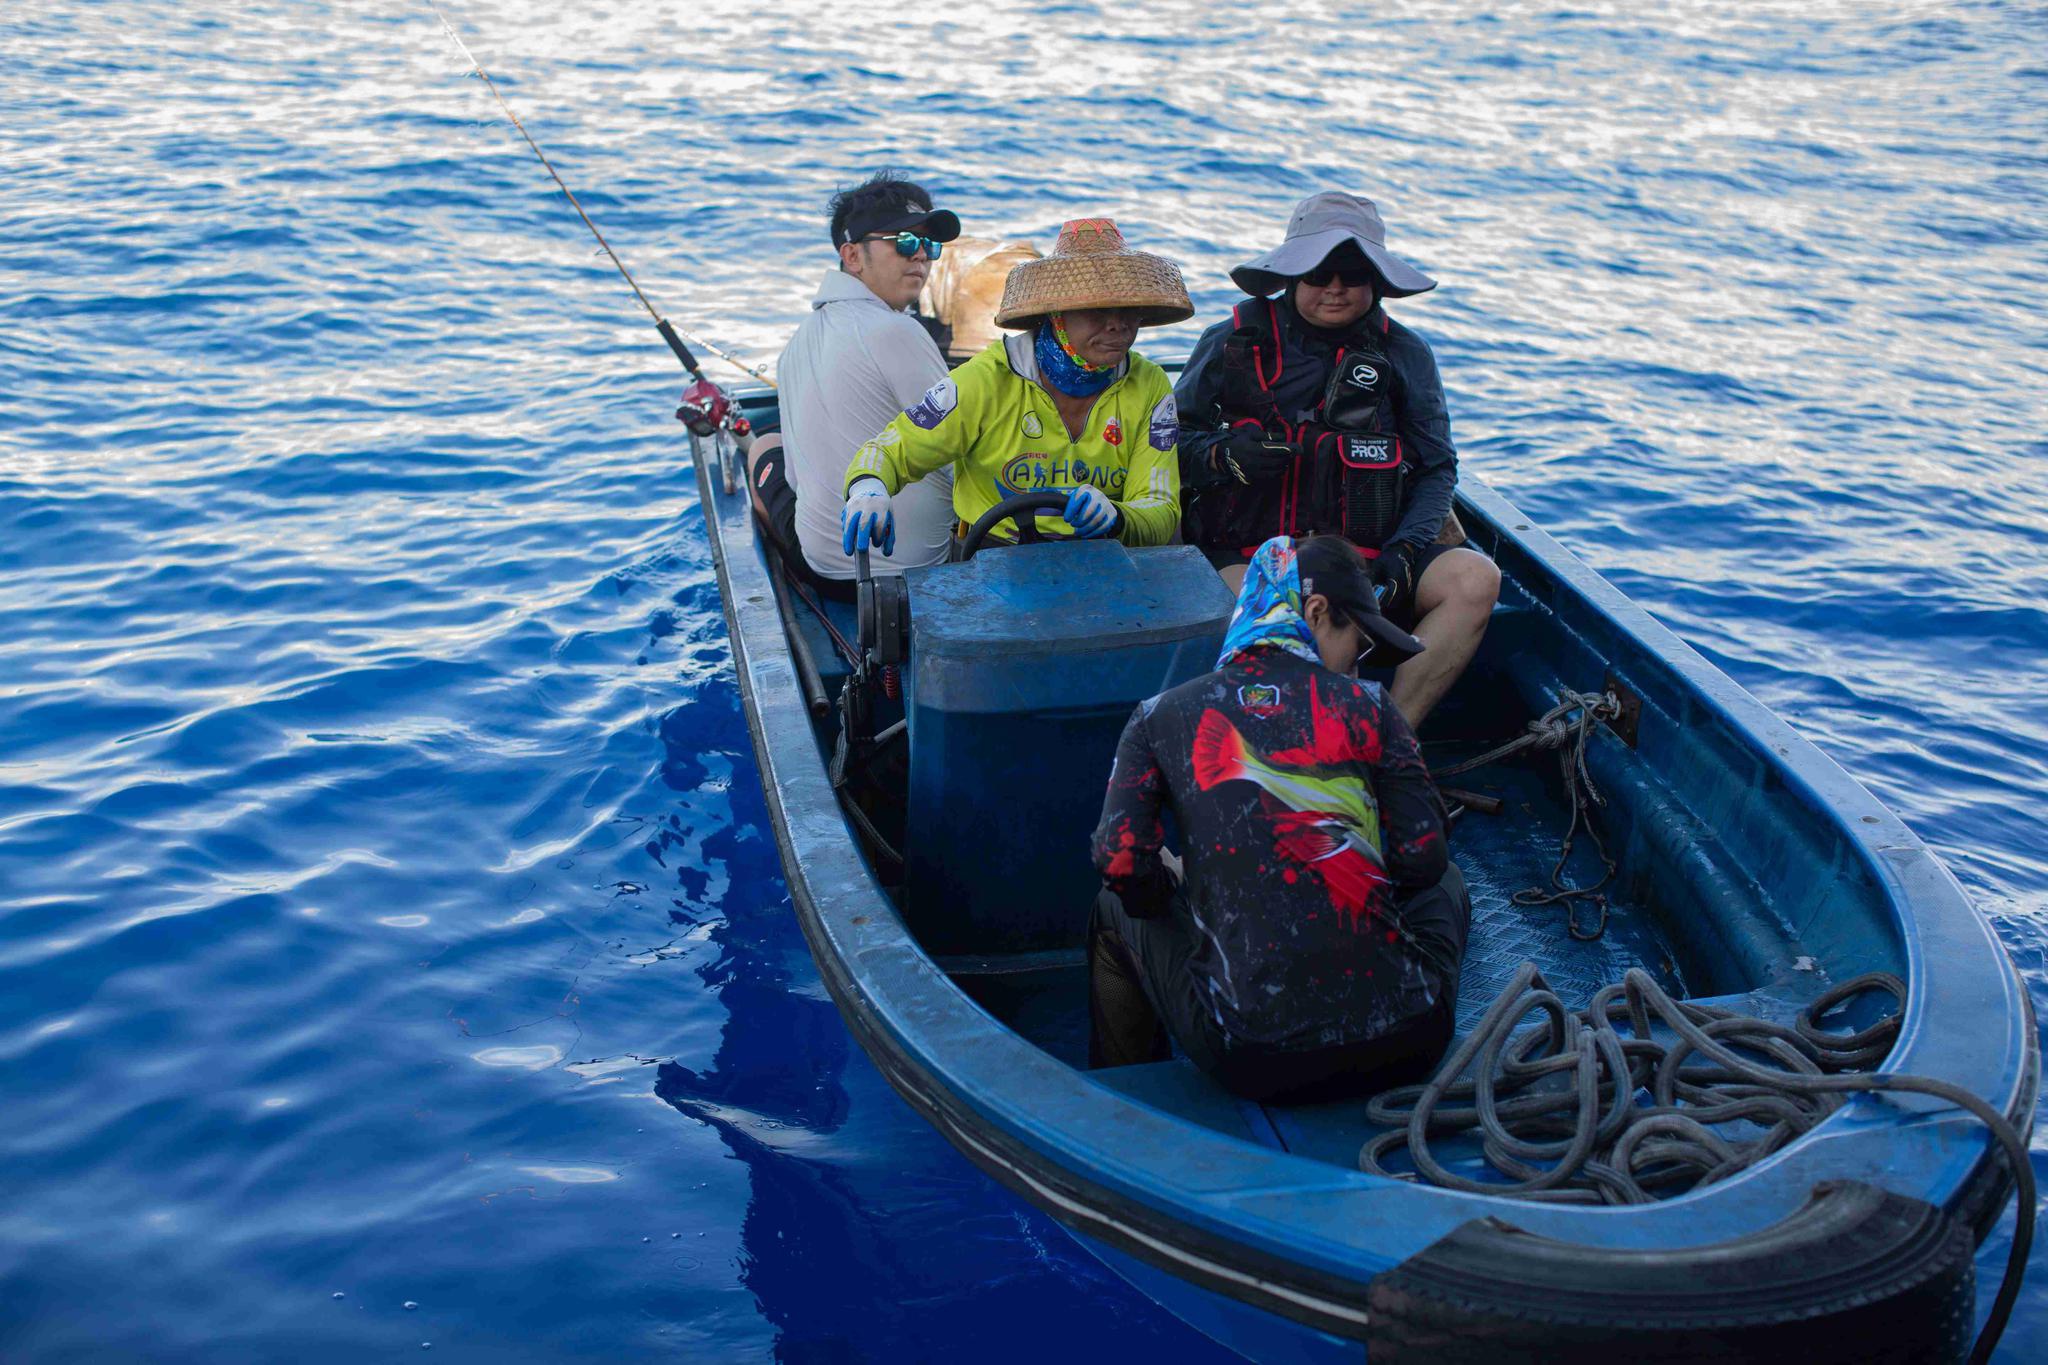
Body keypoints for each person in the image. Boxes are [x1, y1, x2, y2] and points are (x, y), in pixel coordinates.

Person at [1087, 535, 1470, 1104]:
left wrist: (1175, 885)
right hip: (1408, 1041)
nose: (1355, 665)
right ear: (1315, 612)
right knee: (1450, 880)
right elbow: (1424, 859)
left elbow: (1118, 860)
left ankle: (1127, 1104)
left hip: (1249, 1057)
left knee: (1113, 905)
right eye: (1355, 644)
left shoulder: (1157, 716)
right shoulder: (1371, 705)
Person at [1174, 192, 1501, 727]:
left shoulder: (1406, 354)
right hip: (1252, 552)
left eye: (1351, 275)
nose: (1334, 288)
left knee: (1475, 578)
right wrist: (1223, 456)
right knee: (1295, 612)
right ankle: (1299, 746)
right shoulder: (1232, 340)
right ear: (1291, 275)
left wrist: (1404, 549)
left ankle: (1389, 737)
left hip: (1372, 555)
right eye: (1318, 273)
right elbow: (1166, 446)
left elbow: (1437, 468)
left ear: (1375, 281)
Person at [838, 219, 1190, 557]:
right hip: (993, 558)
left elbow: (1160, 509)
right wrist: (869, 488)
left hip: (1106, 559)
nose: (1118, 326)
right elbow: (890, 450)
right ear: (1057, 315)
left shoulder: (1150, 384)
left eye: (1129, 311)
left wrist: (1117, 517)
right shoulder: (986, 379)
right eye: (1097, 311)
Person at [746, 172, 962, 598]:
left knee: (762, 449)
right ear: (852, 255)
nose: (920, 256)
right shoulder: (898, 331)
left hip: (821, 570)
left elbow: (795, 476)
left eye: (928, 245)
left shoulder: (796, 343)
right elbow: (961, 454)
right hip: (912, 579)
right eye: (903, 241)